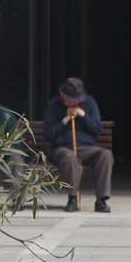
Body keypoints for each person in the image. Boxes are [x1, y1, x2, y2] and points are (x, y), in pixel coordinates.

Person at [44, 76, 111, 213]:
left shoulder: (90, 103)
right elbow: (49, 134)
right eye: (70, 100)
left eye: (76, 100)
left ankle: (101, 200)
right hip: (62, 149)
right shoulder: (54, 105)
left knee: (105, 155)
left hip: (86, 148)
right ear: (62, 95)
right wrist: (65, 119)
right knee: (69, 157)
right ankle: (72, 198)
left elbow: (97, 130)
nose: (73, 103)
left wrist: (83, 115)